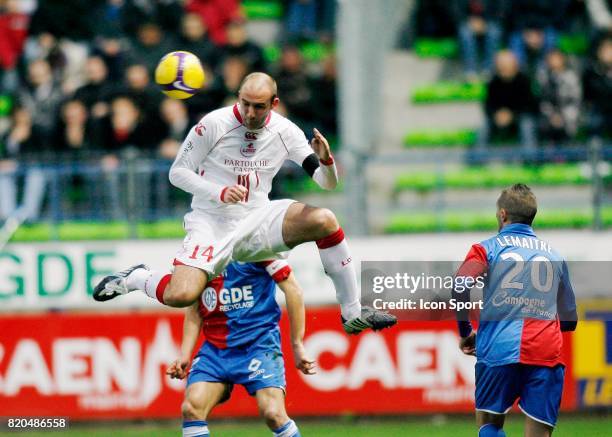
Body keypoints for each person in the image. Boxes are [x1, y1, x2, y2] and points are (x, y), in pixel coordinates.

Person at [93, 72, 396, 335]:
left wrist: (326, 160)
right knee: (182, 294)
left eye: (259, 106)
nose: (250, 112)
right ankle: (136, 277)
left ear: (273, 104)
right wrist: (218, 192)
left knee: (325, 220)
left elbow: (326, 182)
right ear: (239, 98)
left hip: (258, 219)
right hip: (212, 222)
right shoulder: (213, 124)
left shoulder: (285, 131)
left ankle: (352, 312)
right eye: (245, 103)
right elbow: (177, 173)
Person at [453, 183, 578, 437]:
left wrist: (466, 331)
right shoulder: (555, 256)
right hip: (545, 351)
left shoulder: (485, 248)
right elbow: (570, 319)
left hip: (498, 346)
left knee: (489, 424)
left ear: (502, 214)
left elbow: (459, 285)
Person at [166, 260, 312, 437]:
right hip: (216, 350)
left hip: (259, 345)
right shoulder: (204, 254)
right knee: (191, 408)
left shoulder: (258, 245)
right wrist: (184, 354)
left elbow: (293, 289)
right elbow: (194, 310)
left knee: (273, 414)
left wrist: (297, 344)